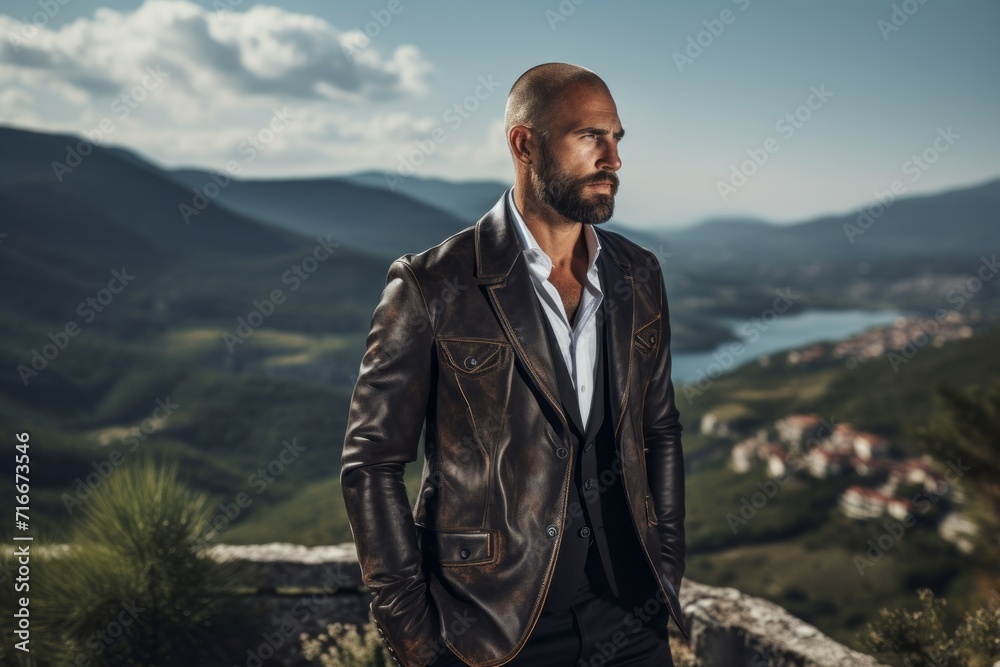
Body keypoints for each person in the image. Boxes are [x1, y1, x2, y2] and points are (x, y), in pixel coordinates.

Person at [341, 62, 687, 667]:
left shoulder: (639, 273)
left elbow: (658, 430)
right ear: (524, 144)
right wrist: (417, 639)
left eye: (617, 138)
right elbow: (371, 461)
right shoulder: (430, 285)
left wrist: (667, 562)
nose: (614, 159)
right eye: (590, 137)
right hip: (490, 629)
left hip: (631, 619)